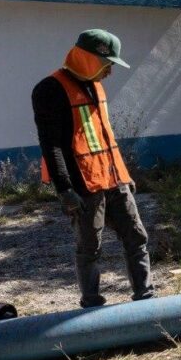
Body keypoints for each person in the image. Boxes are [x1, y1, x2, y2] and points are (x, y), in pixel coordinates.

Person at [32, 29, 154, 308]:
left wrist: (124, 175)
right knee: (89, 249)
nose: (110, 72)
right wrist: (65, 190)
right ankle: (92, 305)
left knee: (136, 238)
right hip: (83, 186)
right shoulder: (49, 89)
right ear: (88, 59)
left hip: (113, 179)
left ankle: (145, 298)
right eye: (107, 64)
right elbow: (51, 146)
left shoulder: (95, 85)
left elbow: (103, 136)